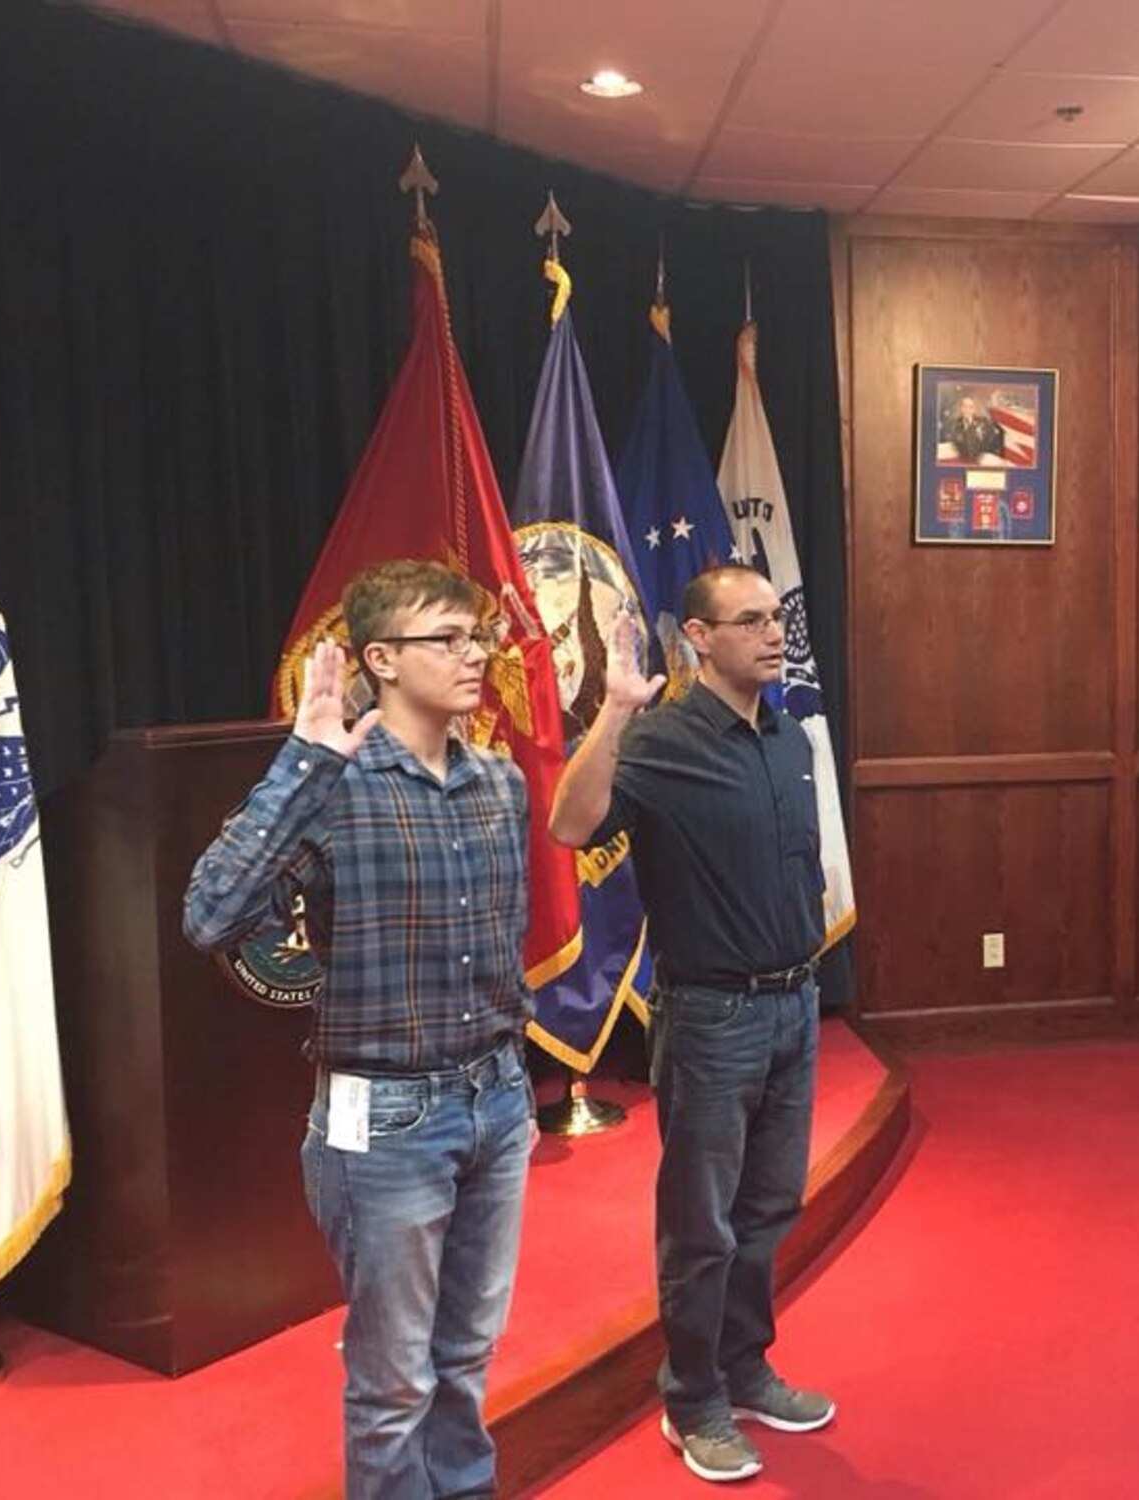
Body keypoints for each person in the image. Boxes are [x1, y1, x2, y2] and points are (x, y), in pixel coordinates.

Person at [184, 559, 537, 1500]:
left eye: (480, 638)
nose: (476, 657)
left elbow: (504, 945)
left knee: (467, 1354)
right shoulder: (331, 784)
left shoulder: (499, 785)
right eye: (449, 640)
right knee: (392, 1383)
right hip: (384, 1123)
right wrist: (304, 759)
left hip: (497, 1099)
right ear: (379, 658)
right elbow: (212, 914)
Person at [549, 564, 832, 1485]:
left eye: (773, 619)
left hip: (795, 1006)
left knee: (770, 1206)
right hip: (712, 1017)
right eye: (747, 622)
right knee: (701, 1225)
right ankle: (695, 1400)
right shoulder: (663, 742)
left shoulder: (788, 737)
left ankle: (746, 1367)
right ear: (699, 639)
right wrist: (616, 714)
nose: (771, 633)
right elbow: (570, 824)